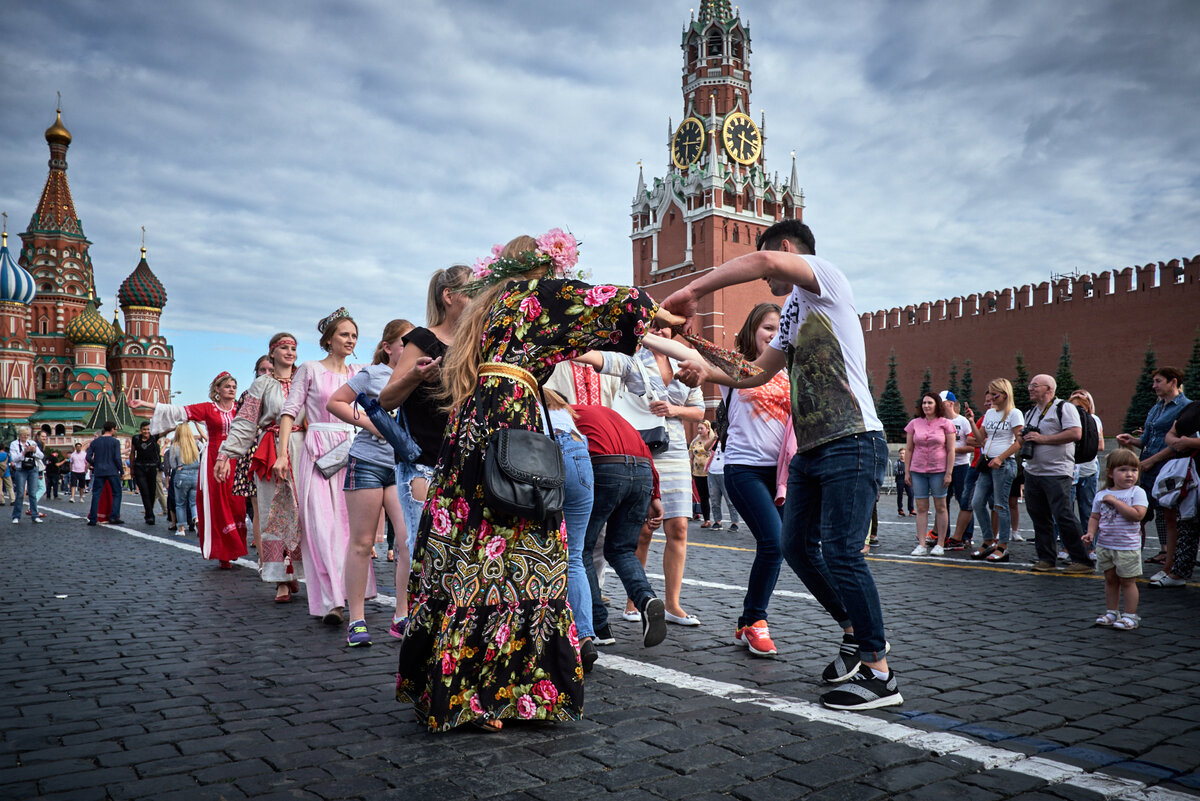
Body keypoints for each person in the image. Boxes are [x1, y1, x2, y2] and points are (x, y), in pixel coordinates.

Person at [396, 230, 678, 732]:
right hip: (512, 423)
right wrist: (668, 316)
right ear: (545, 268)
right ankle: (494, 692)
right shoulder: (534, 298)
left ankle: (454, 681)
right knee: (522, 549)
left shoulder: (486, 310)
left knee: (464, 546)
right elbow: (617, 304)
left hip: (472, 428)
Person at [667, 218, 901, 710]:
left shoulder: (825, 278)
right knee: (796, 547)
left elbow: (765, 262)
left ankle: (880, 672)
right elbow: (757, 372)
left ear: (788, 248)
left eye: (770, 265)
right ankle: (855, 639)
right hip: (812, 451)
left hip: (853, 438)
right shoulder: (793, 310)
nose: (764, 283)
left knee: (842, 552)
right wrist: (708, 370)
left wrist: (691, 290)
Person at [575, 329, 706, 627]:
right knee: (642, 530)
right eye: (653, 324)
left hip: (674, 451)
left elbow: (699, 410)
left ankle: (672, 604)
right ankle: (635, 601)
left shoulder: (684, 361)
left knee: (679, 528)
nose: (660, 330)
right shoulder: (633, 357)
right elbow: (604, 361)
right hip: (640, 445)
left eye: (664, 326)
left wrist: (674, 409)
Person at [326, 319, 413, 646]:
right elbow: (335, 401)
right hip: (367, 463)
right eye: (403, 343)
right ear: (388, 347)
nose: (408, 349)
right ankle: (357, 619)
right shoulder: (373, 374)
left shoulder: (418, 377)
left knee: (406, 541)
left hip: (403, 467)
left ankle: (401, 615)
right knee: (363, 542)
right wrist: (371, 425)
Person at [275, 310, 365, 623]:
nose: (350, 340)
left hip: (352, 453)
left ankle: (348, 592)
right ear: (328, 339)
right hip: (317, 453)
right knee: (320, 526)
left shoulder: (359, 370)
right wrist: (282, 453)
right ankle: (331, 602)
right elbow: (290, 411)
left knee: (348, 527)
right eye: (344, 334)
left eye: (354, 335)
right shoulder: (310, 369)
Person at [379, 265, 471, 559]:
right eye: (473, 292)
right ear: (449, 296)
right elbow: (386, 400)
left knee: (461, 558)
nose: (480, 300)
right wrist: (416, 376)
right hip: (424, 465)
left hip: (466, 465)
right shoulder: (422, 339)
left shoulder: (476, 346)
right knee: (426, 555)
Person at [721, 302, 790, 657]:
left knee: (785, 547)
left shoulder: (792, 373)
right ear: (752, 331)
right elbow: (695, 353)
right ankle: (757, 621)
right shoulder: (736, 367)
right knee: (774, 542)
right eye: (767, 328)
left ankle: (748, 619)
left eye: (780, 329)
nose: (774, 334)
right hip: (743, 467)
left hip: (780, 475)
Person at [216, 334, 305, 603]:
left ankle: (300, 571)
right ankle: (281, 578)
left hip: (303, 449)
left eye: (293, 348)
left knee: (303, 511)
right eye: (284, 348)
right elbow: (244, 422)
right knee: (273, 511)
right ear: (272, 353)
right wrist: (225, 454)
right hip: (270, 449)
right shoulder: (262, 385)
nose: (289, 352)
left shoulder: (305, 380)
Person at [576, 401, 668, 653]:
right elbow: (645, 450)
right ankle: (646, 599)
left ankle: (598, 627)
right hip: (641, 472)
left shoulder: (562, 413)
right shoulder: (610, 414)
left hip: (605, 467)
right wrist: (655, 496)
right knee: (622, 550)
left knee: (581, 548)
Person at [135, 372, 248, 569]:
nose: (232, 389)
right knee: (218, 504)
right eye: (228, 386)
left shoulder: (240, 409)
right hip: (214, 458)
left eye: (234, 386)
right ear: (217, 390)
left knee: (237, 503)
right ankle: (223, 553)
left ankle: (236, 545)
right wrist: (145, 403)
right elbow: (178, 411)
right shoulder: (207, 409)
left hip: (237, 459)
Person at [544, 389, 599, 670]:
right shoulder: (565, 412)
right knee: (574, 556)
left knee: (541, 551)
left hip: (548, 456)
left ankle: (546, 637)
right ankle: (585, 637)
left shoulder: (528, 399)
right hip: (581, 460)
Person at [1116, 366, 1189, 569]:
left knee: (1168, 515)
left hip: (1168, 469)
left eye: (1158, 381)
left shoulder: (1185, 407)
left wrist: (1152, 460)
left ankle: (1170, 561)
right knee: (1139, 513)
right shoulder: (1157, 407)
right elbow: (1147, 439)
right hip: (1146, 468)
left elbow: (1178, 444)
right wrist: (1132, 440)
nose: (1153, 386)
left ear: (1173, 382)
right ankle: (1131, 559)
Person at [1021, 374, 1092, 573]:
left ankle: (1082, 560)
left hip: (1057, 472)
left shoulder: (1064, 408)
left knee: (1063, 515)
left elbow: (1075, 433)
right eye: (1030, 385)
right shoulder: (1031, 412)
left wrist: (1041, 438)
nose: (1030, 389)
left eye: (1035, 386)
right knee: (1039, 516)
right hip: (1033, 471)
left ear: (1049, 389)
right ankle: (1046, 559)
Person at [1082, 449, 1147, 629]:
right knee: (1110, 580)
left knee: (1128, 581)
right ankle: (1112, 611)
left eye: (1134, 470)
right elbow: (1095, 516)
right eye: (1123, 470)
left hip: (1127, 546)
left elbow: (1137, 515)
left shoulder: (1137, 492)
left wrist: (1116, 502)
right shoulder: (1102, 494)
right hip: (1106, 545)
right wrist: (1091, 533)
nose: (1130, 474)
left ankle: (1130, 615)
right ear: (1111, 473)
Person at [970, 380, 1024, 562]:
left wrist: (1001, 457)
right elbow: (980, 438)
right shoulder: (990, 413)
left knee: (1000, 505)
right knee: (977, 502)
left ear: (1005, 395)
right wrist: (971, 421)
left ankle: (1003, 545)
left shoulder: (1014, 414)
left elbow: (1019, 441)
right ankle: (988, 540)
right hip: (987, 462)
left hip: (1004, 463)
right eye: (991, 394)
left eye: (996, 395)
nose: (992, 398)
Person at [904, 392, 956, 556]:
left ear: (937, 405)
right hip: (918, 470)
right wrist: (907, 471)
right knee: (921, 507)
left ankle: (940, 543)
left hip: (939, 471)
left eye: (930, 403)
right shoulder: (914, 423)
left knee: (940, 506)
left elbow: (950, 450)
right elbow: (910, 449)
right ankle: (921, 544)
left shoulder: (946, 424)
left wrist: (949, 472)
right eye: (924, 403)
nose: (926, 406)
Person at [1156, 401, 1200, 587]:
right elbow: (1172, 432)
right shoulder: (1193, 407)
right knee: (1188, 522)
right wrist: (1174, 441)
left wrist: (1189, 442)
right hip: (1190, 471)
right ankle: (1179, 572)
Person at [1066, 389, 1105, 542]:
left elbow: (1100, 445)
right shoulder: (1066, 420)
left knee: (1087, 509)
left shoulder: (1093, 420)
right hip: (1069, 469)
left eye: (1081, 406)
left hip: (1087, 469)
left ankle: (1090, 545)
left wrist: (1083, 446)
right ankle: (1066, 545)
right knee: (1066, 511)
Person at [941, 391, 976, 549]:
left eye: (940, 402)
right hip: (942, 467)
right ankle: (944, 535)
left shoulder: (963, 422)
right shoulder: (939, 421)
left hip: (961, 466)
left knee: (965, 502)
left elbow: (972, 446)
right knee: (942, 502)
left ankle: (967, 536)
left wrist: (952, 450)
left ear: (949, 403)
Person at [165, 424, 201, 536]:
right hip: (195, 474)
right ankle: (196, 520)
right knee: (194, 503)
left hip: (182, 475)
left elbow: (173, 464)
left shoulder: (175, 446)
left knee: (180, 504)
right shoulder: (196, 444)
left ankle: (181, 528)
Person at [85, 422, 123, 526]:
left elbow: (88, 457)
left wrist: (95, 464)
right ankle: (114, 517)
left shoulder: (95, 442)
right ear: (111, 429)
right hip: (112, 471)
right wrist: (121, 470)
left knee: (96, 494)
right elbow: (117, 458)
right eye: (115, 429)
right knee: (117, 493)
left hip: (99, 471)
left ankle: (93, 518)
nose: (116, 431)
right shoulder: (115, 442)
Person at [10, 427, 44, 524]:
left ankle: (35, 515)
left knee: (33, 493)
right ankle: (16, 516)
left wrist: (34, 451)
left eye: (27, 435)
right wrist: (24, 452)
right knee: (20, 493)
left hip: (33, 469)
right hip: (21, 469)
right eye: (23, 435)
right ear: (19, 435)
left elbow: (41, 456)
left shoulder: (32, 443)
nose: (25, 437)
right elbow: (14, 459)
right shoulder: (14, 444)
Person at [130, 421, 162, 524]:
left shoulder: (154, 437)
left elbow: (166, 431)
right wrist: (131, 468)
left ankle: (149, 512)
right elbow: (132, 453)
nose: (146, 431)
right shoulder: (135, 438)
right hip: (139, 467)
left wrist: (176, 425)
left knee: (152, 492)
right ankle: (150, 515)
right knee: (144, 492)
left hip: (152, 467)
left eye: (148, 429)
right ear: (141, 430)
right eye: (144, 429)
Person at [707, 440, 739, 531]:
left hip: (724, 472)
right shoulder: (713, 441)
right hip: (712, 472)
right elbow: (706, 448)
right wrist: (714, 439)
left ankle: (734, 522)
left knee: (730, 499)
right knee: (714, 500)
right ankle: (717, 521)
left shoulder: (729, 440)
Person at [689, 420, 716, 528]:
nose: (699, 430)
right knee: (703, 497)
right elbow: (691, 456)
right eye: (698, 428)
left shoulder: (713, 440)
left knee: (715, 497)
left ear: (708, 429)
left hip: (711, 473)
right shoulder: (695, 442)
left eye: (702, 428)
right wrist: (690, 470)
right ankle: (707, 520)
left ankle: (718, 520)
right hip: (698, 473)